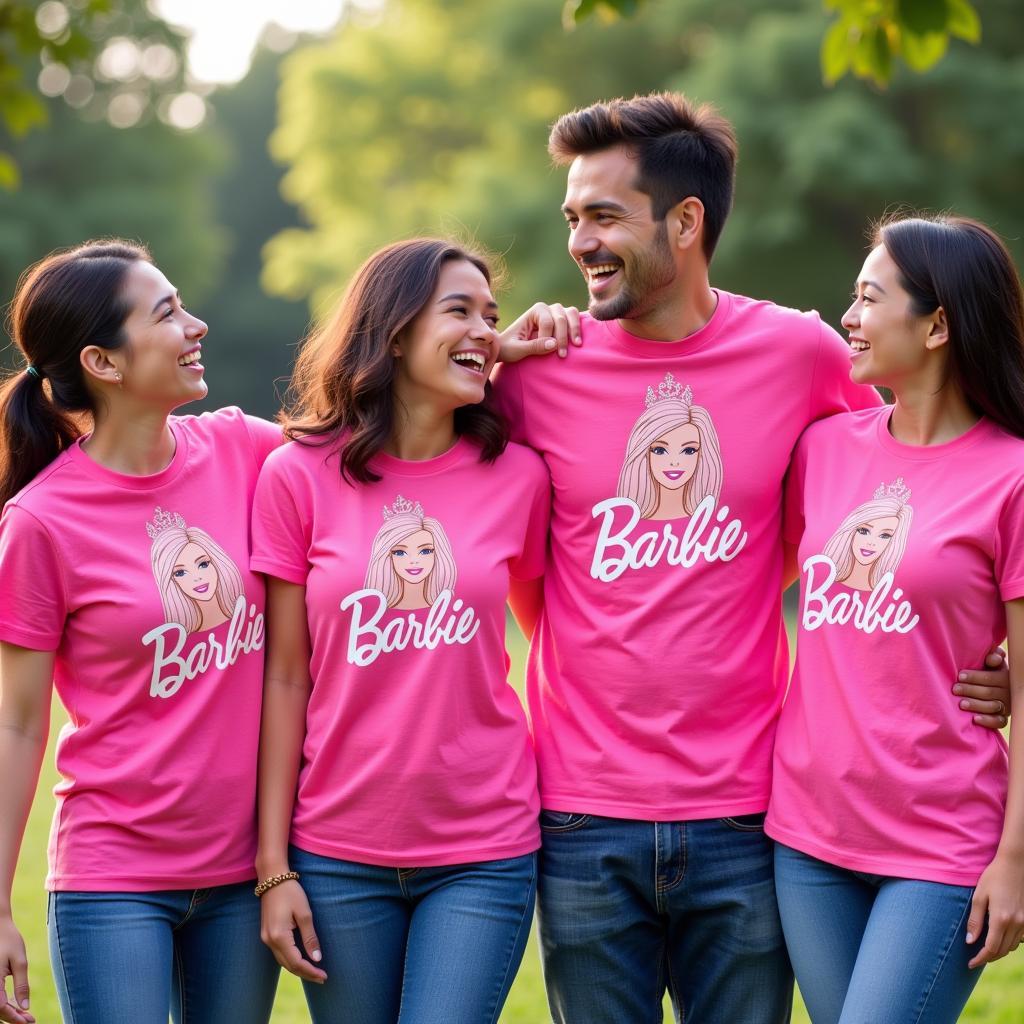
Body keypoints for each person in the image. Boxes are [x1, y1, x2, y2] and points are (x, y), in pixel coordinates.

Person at [490, 92, 1011, 1023]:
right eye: (572, 217)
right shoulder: (535, 374)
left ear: (686, 221)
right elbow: (478, 531)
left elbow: (919, 498)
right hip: (577, 809)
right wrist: (485, 344)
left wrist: (993, 657)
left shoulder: (803, 355)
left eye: (605, 215)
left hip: (748, 807)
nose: (580, 242)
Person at [251, 238, 550, 1024]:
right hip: (336, 850)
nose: (486, 330)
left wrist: (491, 347)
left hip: (483, 848)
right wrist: (274, 866)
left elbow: (554, 626)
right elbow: (285, 676)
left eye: (492, 316)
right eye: (459, 311)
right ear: (391, 332)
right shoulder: (296, 474)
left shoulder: (519, 475)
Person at [0, 240, 282, 1024]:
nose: (195, 326)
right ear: (104, 361)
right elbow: (19, 725)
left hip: (243, 873)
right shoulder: (40, 523)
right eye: (166, 314)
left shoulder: (245, 449)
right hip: (111, 874)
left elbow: (372, 447)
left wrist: (492, 354)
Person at [768, 214, 1024, 1022]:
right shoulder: (823, 451)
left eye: (869, 298)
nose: (848, 316)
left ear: (938, 323)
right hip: (808, 833)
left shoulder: (1012, 475)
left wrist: (1016, 861)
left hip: (943, 843)